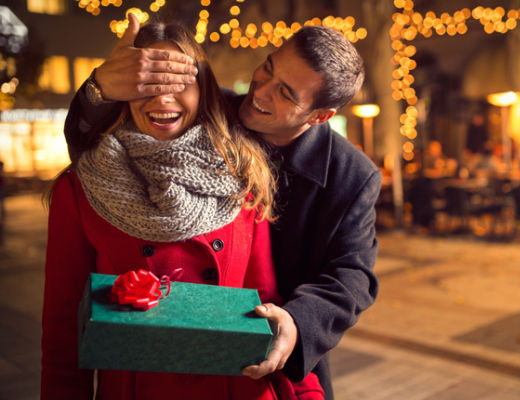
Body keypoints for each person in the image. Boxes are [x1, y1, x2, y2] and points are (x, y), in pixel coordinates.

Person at [63, 14, 381, 400]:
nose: (260, 91)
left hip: (273, 350)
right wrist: (102, 88)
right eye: (268, 67)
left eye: (286, 93)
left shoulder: (352, 174)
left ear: (319, 117)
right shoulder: (215, 107)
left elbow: (352, 275)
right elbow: (99, 141)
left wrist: (297, 324)